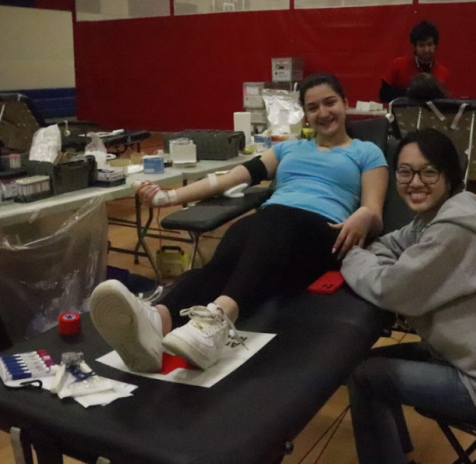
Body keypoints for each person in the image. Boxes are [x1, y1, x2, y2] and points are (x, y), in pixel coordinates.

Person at [89, 72, 389, 374]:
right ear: (306, 115)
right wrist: (166, 198)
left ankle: (218, 321)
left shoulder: (366, 152)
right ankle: (158, 321)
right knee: (235, 242)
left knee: (273, 217)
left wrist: (366, 214)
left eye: (330, 103)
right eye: (313, 107)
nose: (323, 113)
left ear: (345, 103)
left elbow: (373, 213)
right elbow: (228, 180)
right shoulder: (289, 149)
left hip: (328, 237)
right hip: (275, 230)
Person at [340, 128, 476, 464]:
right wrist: (387, 265)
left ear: (449, 177)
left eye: (428, 171)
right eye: (405, 171)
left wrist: (350, 256)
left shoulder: (451, 231)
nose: (415, 181)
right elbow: (388, 245)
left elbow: (390, 291)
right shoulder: (443, 216)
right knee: (363, 363)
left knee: (365, 377)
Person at [380, 20, 450, 104]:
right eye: (421, 45)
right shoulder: (398, 65)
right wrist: (411, 92)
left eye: (430, 44)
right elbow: (383, 95)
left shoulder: (444, 73)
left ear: (435, 45)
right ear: (414, 46)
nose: (426, 50)